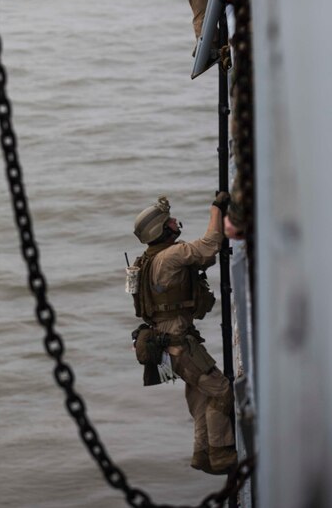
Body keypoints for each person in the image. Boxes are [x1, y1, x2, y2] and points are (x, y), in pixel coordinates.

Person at [131, 193, 237, 475]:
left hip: (170, 346)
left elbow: (200, 261)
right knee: (222, 391)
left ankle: (202, 456)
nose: (176, 221)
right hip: (181, 345)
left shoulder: (149, 261)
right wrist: (217, 208)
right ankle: (222, 455)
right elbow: (210, 245)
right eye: (170, 220)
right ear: (162, 229)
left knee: (202, 399)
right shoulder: (171, 256)